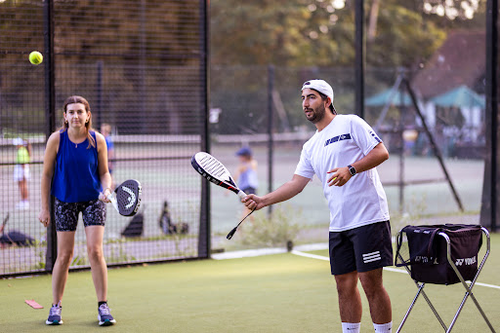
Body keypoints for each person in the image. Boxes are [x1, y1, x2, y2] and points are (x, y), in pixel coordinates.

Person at [243, 80, 393, 333]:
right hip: (339, 224)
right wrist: (263, 200)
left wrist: (351, 169)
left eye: (311, 97)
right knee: (343, 284)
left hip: (369, 218)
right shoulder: (310, 146)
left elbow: (381, 152)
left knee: (370, 283)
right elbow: (296, 183)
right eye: (303, 98)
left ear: (327, 101)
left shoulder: (351, 123)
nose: (305, 104)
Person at [38, 96, 116, 326]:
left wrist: (107, 189)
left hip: (94, 199)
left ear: (87, 115)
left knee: (95, 251)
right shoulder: (56, 140)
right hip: (64, 200)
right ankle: (55, 307)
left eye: (80, 112)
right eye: (71, 112)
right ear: (65, 116)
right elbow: (46, 175)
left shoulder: (97, 140)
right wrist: (44, 208)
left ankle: (103, 306)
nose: (75, 116)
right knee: (64, 255)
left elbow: (104, 172)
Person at [233, 146, 258, 217]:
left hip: (250, 187)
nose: (239, 158)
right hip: (243, 188)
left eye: (241, 156)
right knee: (248, 208)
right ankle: (254, 225)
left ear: (246, 156)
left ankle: (240, 226)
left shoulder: (252, 163)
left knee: (247, 208)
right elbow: (236, 176)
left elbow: (253, 166)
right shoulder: (241, 165)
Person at [13, 137, 31, 210]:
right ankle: (23, 201)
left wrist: (23, 173)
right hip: (21, 169)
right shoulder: (22, 150)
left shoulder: (21, 151)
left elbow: (23, 163)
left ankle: (25, 201)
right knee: (22, 185)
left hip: (21, 169)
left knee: (23, 186)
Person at [100, 123, 115, 188]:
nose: (101, 132)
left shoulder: (108, 140)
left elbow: (110, 151)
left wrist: (109, 162)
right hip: (105, 161)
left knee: (109, 176)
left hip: (108, 161)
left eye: (103, 130)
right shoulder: (103, 138)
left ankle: (112, 190)